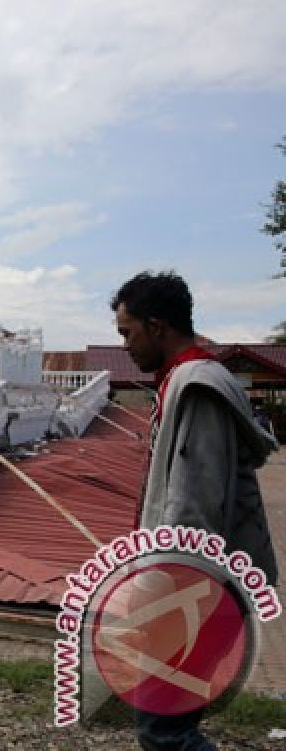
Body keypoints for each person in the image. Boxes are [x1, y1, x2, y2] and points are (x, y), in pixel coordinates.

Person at [112, 271, 278, 751]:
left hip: (197, 594)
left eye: (128, 332)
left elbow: (194, 510)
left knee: (164, 733)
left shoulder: (196, 387)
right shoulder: (187, 379)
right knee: (169, 727)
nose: (125, 345)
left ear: (158, 325)